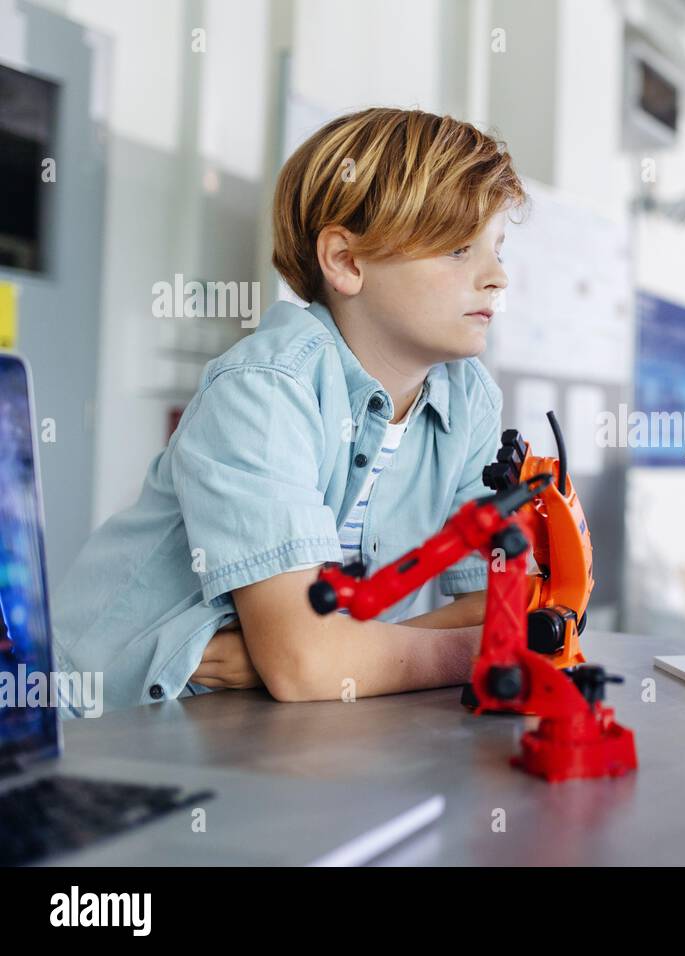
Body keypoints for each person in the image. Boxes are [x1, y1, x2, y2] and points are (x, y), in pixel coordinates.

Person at [53, 108, 524, 712]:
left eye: (498, 248)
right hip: (95, 726)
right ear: (347, 262)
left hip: (247, 720)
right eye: (460, 249)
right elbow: (305, 666)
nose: (498, 277)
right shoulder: (265, 389)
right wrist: (485, 651)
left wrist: (330, 651)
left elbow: (494, 604)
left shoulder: (470, 398)